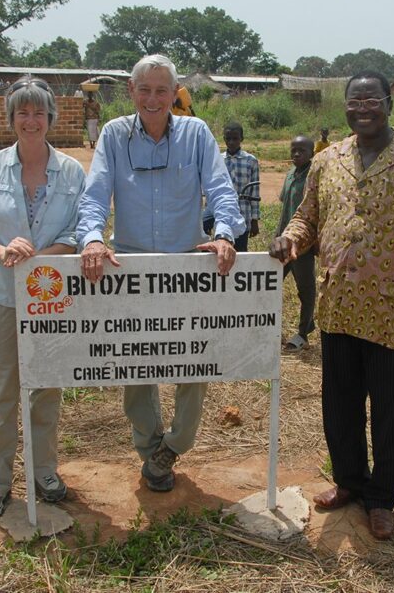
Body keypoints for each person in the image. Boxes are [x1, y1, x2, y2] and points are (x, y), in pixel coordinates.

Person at [269, 70, 394, 540]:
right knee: (340, 405)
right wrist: (290, 239)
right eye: (355, 101)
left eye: (372, 99)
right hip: (338, 309)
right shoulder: (328, 161)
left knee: (390, 412)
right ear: (346, 107)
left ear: (389, 104)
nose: (363, 107)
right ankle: (349, 482)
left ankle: (381, 499)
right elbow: (307, 217)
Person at [77, 54, 244, 492]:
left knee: (195, 360)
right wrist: (92, 238)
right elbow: (94, 198)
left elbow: (222, 192)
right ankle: (151, 449)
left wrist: (224, 233)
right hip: (129, 270)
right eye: (144, 90)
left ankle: (177, 443)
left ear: (175, 95)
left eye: (162, 90)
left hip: (185, 267)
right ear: (132, 92)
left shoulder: (196, 134)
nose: (153, 99)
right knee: (135, 365)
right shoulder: (113, 136)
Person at [0, 76, 85, 522]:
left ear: (50, 118)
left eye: (38, 112)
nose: (30, 120)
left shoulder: (72, 171)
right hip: (2, 296)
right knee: (0, 395)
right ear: (11, 118)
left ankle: (44, 472)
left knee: (45, 391)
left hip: (51, 301)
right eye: (22, 112)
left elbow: (77, 234)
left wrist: (40, 257)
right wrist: (5, 251)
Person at [277, 135, 316, 351]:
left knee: (306, 290)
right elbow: (285, 210)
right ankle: (272, 328)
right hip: (282, 242)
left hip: (303, 246)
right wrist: (277, 236)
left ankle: (303, 333)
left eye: (301, 151)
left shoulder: (313, 177)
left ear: (312, 153)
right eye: (293, 150)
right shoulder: (291, 174)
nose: (296, 154)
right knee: (271, 285)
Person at [205, 122, 259, 251]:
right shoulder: (218, 160)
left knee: (240, 253)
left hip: (243, 215)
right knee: (221, 250)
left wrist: (254, 220)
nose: (231, 142)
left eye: (235, 138)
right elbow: (211, 189)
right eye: (228, 139)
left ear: (241, 139)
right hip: (220, 216)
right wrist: (207, 216)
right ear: (224, 139)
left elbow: (255, 192)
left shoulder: (251, 161)